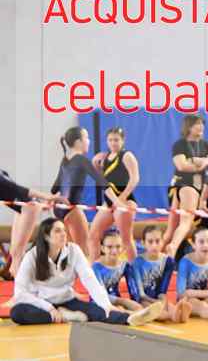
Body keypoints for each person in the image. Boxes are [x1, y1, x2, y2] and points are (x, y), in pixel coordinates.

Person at [10, 217, 163, 326]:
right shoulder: (32, 256)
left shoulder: (74, 251)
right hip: (42, 303)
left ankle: (130, 319)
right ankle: (63, 316)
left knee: (98, 311)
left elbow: (90, 279)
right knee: (17, 312)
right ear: (46, 236)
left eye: (64, 230)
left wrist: (106, 304)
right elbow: (20, 292)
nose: (63, 234)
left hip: (67, 301)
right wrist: (49, 308)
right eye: (57, 231)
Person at [50, 127, 125, 255]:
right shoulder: (81, 160)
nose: (89, 141)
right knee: (84, 252)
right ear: (78, 142)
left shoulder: (65, 160)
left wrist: (48, 200)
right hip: (71, 210)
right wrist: (117, 202)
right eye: (87, 138)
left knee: (69, 252)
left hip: (58, 209)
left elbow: (54, 188)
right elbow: (102, 182)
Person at [88, 127, 140, 263]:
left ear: (123, 141)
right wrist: (96, 166)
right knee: (93, 235)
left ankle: (135, 271)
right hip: (110, 202)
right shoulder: (104, 158)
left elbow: (134, 179)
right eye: (110, 140)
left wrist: (121, 198)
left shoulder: (127, 155)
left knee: (126, 239)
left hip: (125, 201)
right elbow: (102, 181)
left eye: (116, 140)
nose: (113, 143)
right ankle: (94, 269)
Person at [163, 115, 208, 259]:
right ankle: (173, 246)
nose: (201, 127)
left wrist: (194, 160)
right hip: (183, 186)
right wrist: (202, 164)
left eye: (202, 124)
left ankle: (162, 259)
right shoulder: (180, 145)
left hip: (199, 187)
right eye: (197, 124)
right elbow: (181, 166)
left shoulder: (206, 145)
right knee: (186, 221)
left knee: (171, 230)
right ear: (189, 127)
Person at [0, 169, 61, 278]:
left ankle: (21, 284)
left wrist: (46, 197)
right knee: (14, 251)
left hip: (29, 207)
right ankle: (20, 279)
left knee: (18, 253)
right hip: (21, 208)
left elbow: (19, 190)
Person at [130, 224, 191, 323]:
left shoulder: (168, 261)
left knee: (169, 306)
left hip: (158, 298)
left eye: (157, 241)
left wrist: (163, 301)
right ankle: (171, 315)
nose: (154, 245)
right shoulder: (137, 262)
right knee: (153, 310)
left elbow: (162, 290)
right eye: (150, 242)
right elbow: (140, 294)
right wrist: (157, 303)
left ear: (163, 242)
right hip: (143, 300)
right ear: (143, 243)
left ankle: (177, 313)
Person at [176, 227, 208, 319]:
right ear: (193, 244)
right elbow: (181, 292)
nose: (206, 245)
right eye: (201, 242)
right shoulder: (185, 262)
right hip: (187, 299)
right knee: (202, 306)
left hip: (204, 295)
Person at [92, 228, 142, 312]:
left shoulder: (125, 265)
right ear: (102, 248)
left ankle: (132, 313)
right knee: (120, 310)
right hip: (98, 303)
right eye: (109, 247)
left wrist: (137, 303)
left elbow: (133, 290)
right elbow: (100, 295)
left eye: (118, 246)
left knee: (138, 307)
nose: (114, 251)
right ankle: (129, 313)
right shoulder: (96, 267)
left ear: (123, 247)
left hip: (118, 301)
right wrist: (124, 301)